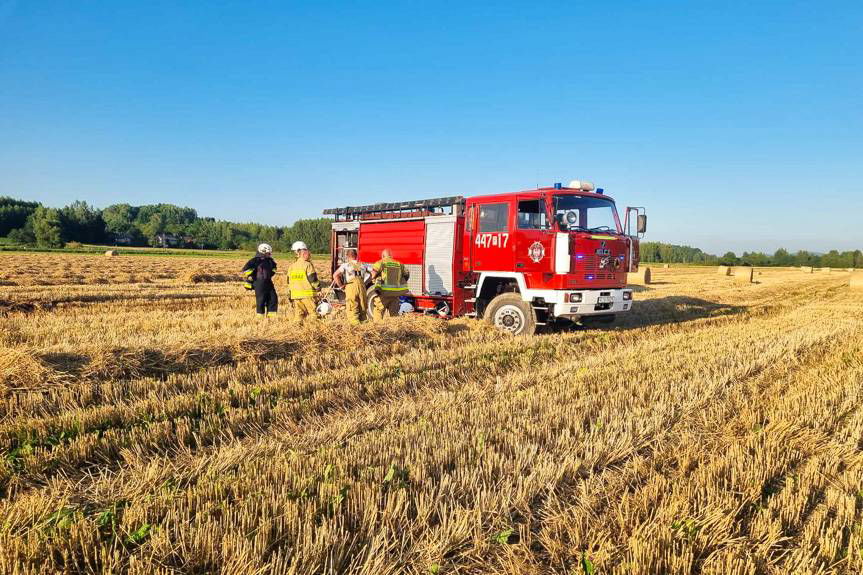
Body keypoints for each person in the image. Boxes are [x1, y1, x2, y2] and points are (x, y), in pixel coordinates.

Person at [370, 249, 409, 320]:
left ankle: (379, 329)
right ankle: (395, 330)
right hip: (395, 294)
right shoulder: (399, 264)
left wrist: (374, 280)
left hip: (384, 293)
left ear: (382, 256)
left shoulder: (380, 263)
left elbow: (373, 274)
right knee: (394, 315)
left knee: (378, 312)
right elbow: (407, 274)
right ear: (391, 256)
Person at [332, 248, 369, 324]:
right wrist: (366, 282)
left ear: (347, 256)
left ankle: (356, 328)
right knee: (363, 308)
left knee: (352, 309)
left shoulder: (345, 265)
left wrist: (341, 286)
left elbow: (335, 275)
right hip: (362, 287)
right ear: (356, 256)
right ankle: (364, 326)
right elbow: (373, 272)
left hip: (351, 286)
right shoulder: (363, 264)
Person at [287, 241, 320, 323]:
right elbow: (313, 279)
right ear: (303, 253)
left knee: (299, 316)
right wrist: (318, 289)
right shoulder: (307, 265)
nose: (308, 254)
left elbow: (288, 282)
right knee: (313, 314)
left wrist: (290, 295)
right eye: (307, 252)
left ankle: (297, 330)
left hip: (295, 295)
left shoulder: (291, 266)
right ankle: (314, 330)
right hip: (307, 295)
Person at [242, 243, 278, 318]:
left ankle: (271, 318)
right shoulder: (254, 260)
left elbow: (274, 270)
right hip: (258, 283)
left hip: (268, 282)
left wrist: (270, 273)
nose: (270, 254)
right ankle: (260, 318)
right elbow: (245, 270)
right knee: (261, 300)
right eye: (268, 253)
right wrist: (252, 273)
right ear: (263, 252)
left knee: (273, 298)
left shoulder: (270, 261)